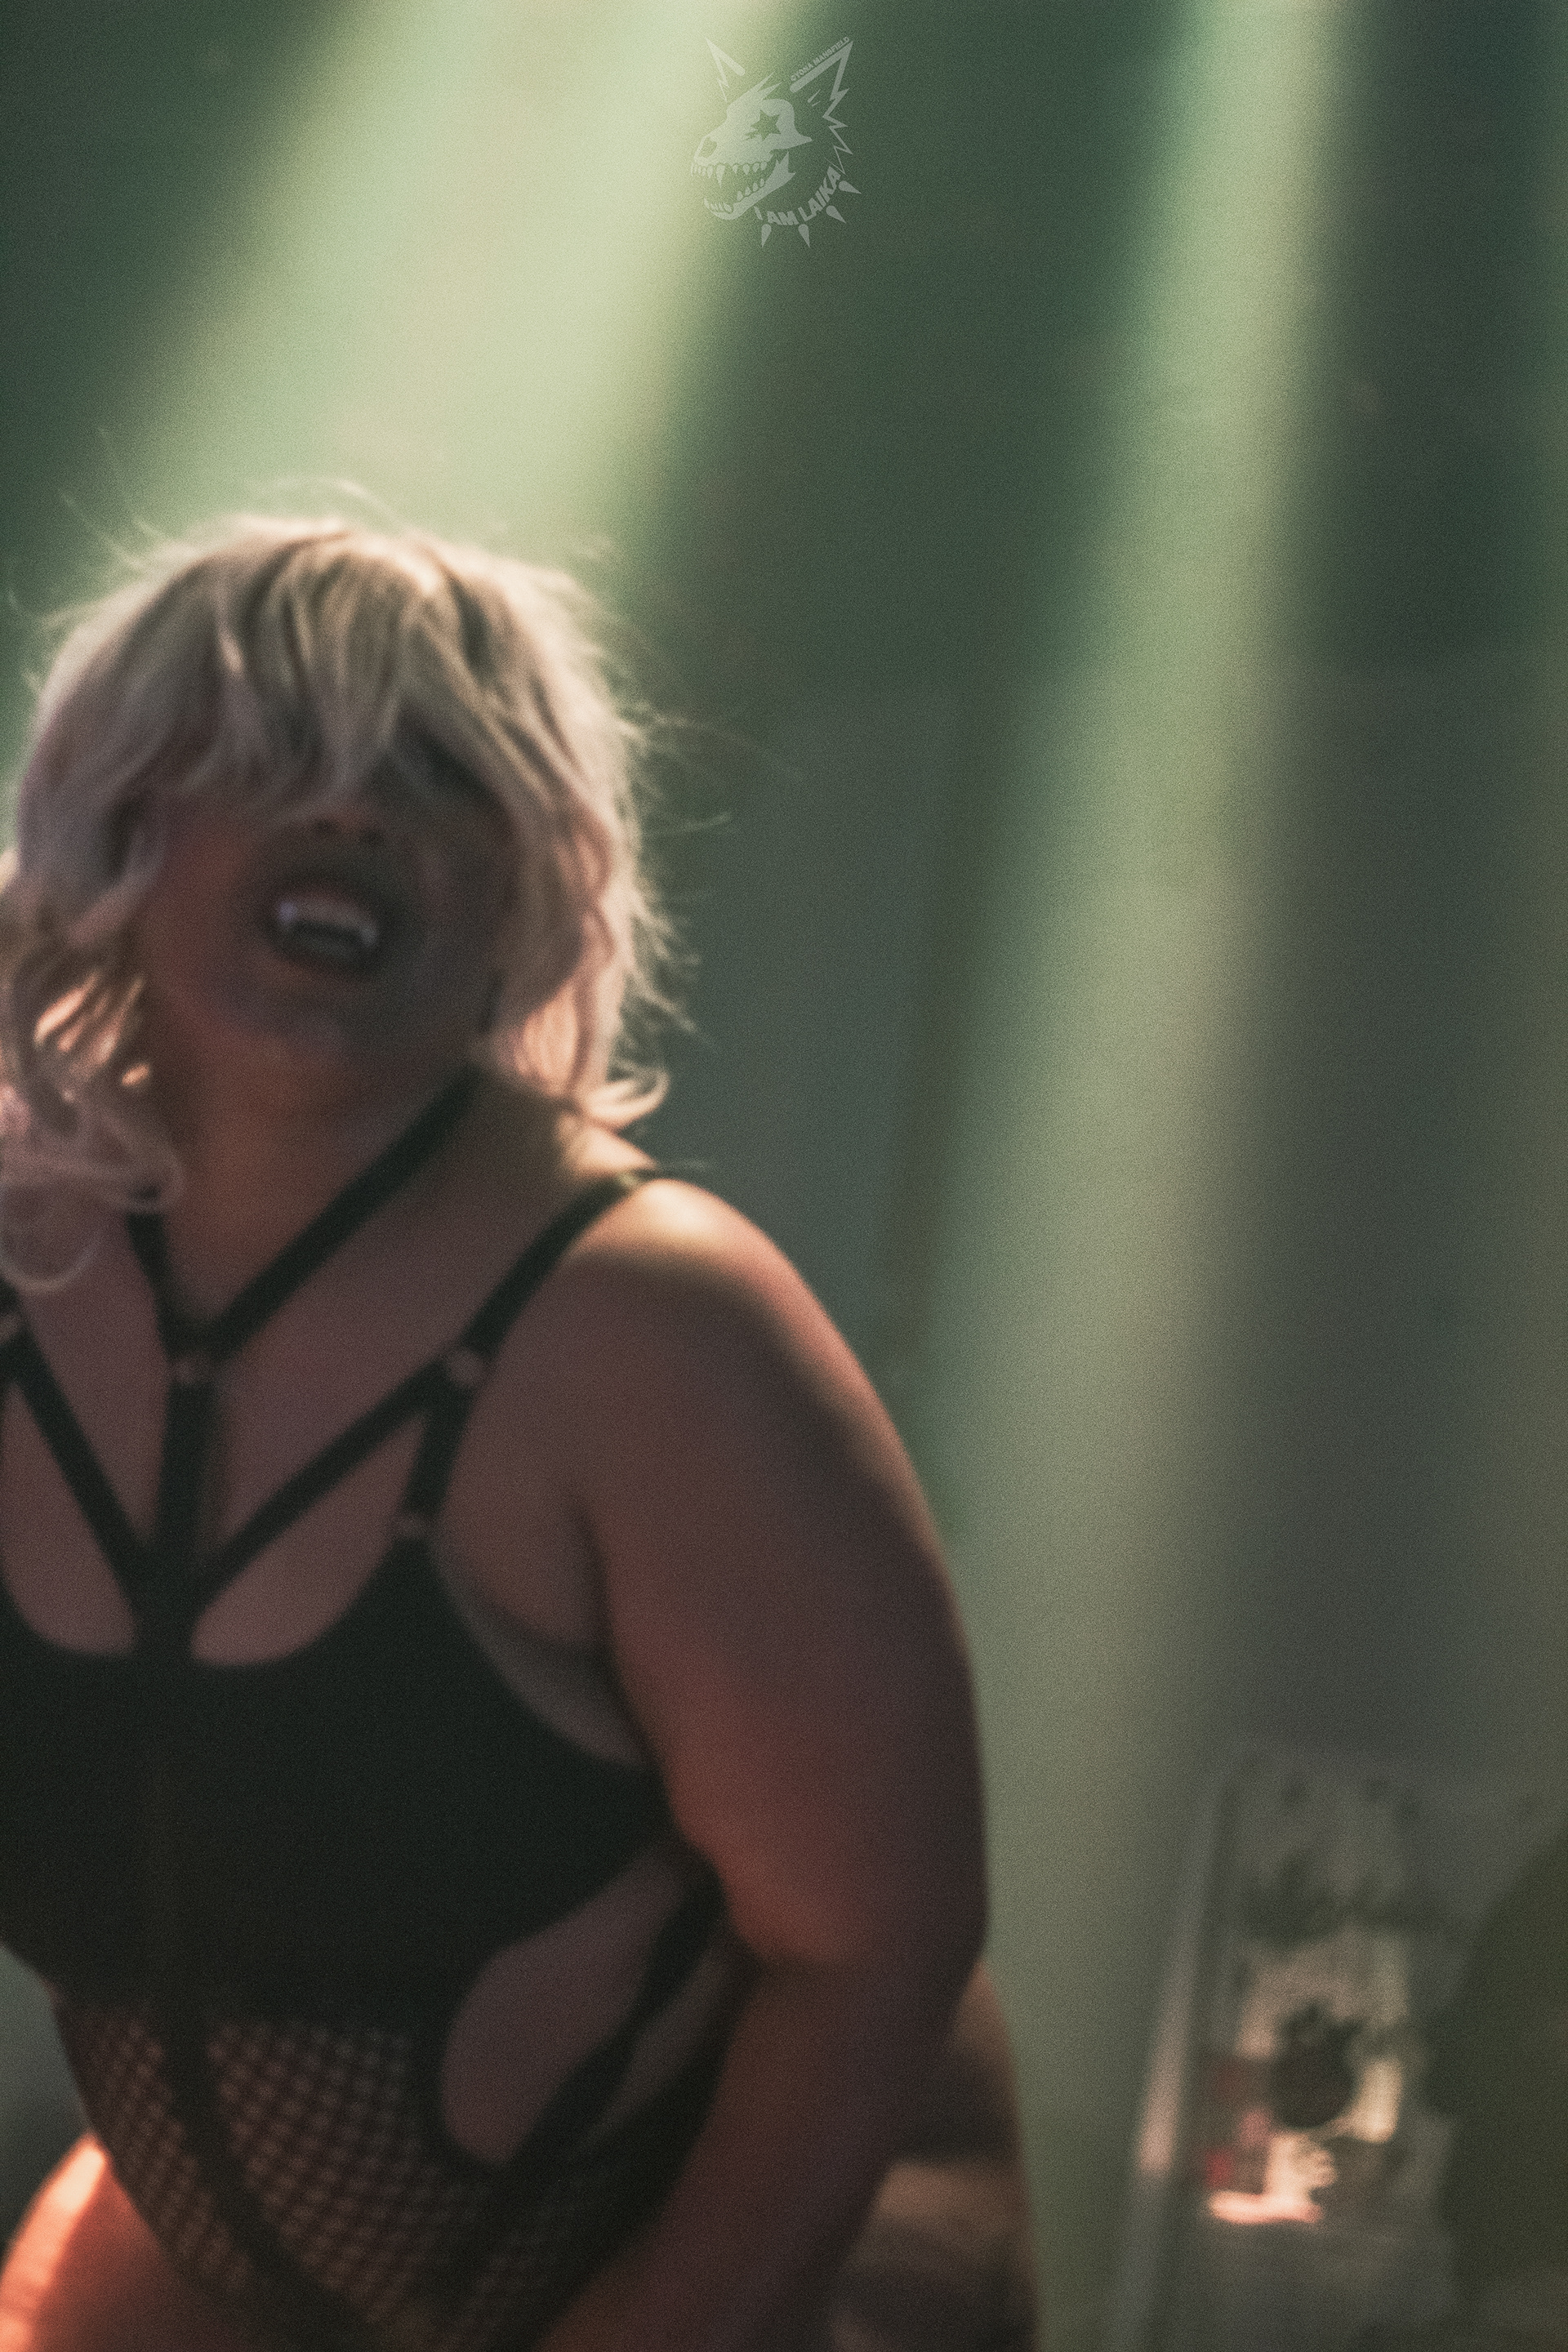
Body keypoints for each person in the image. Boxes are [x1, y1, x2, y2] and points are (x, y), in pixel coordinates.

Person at [0, 519, 1036, 2352]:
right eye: (279, 754)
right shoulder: (28, 1270)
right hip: (231, 2249)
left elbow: (877, 1945)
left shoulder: (648, 1325)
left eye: (437, 777)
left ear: (517, 891)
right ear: (123, 822)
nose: (356, 809)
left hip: (773, 2250)